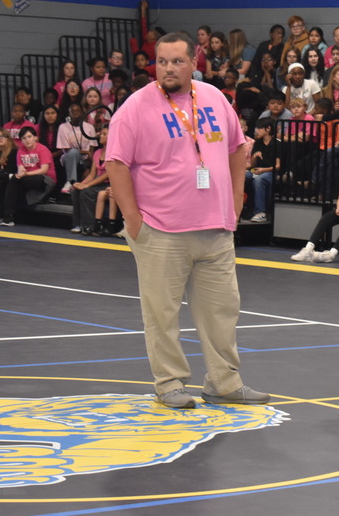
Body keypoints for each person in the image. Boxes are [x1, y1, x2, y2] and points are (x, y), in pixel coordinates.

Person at [105, 32, 271, 409]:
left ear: (193, 64)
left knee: (222, 310)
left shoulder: (213, 97)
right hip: (161, 229)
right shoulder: (135, 107)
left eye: (177, 61)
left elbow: (236, 149)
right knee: (161, 313)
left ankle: (224, 382)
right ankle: (170, 383)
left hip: (214, 228)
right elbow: (115, 163)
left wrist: (234, 201)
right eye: (162, 62)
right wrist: (133, 220)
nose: (168, 69)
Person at [1, 126, 56, 226]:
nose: (27, 140)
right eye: (24, 138)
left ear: (35, 137)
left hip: (45, 179)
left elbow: (44, 170)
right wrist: (21, 174)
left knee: (23, 179)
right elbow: (20, 168)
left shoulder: (43, 150)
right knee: (13, 181)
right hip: (27, 179)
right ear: (21, 140)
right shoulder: (20, 151)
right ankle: (8, 216)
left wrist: (26, 174)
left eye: (29, 137)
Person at [70, 125, 110, 235]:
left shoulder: (114, 153)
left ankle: (90, 226)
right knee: (76, 190)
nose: (100, 135)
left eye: (104, 134)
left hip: (109, 184)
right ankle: (78, 224)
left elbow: (107, 175)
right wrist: (82, 183)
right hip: (98, 183)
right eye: (101, 133)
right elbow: (93, 174)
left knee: (87, 192)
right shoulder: (97, 153)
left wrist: (87, 186)